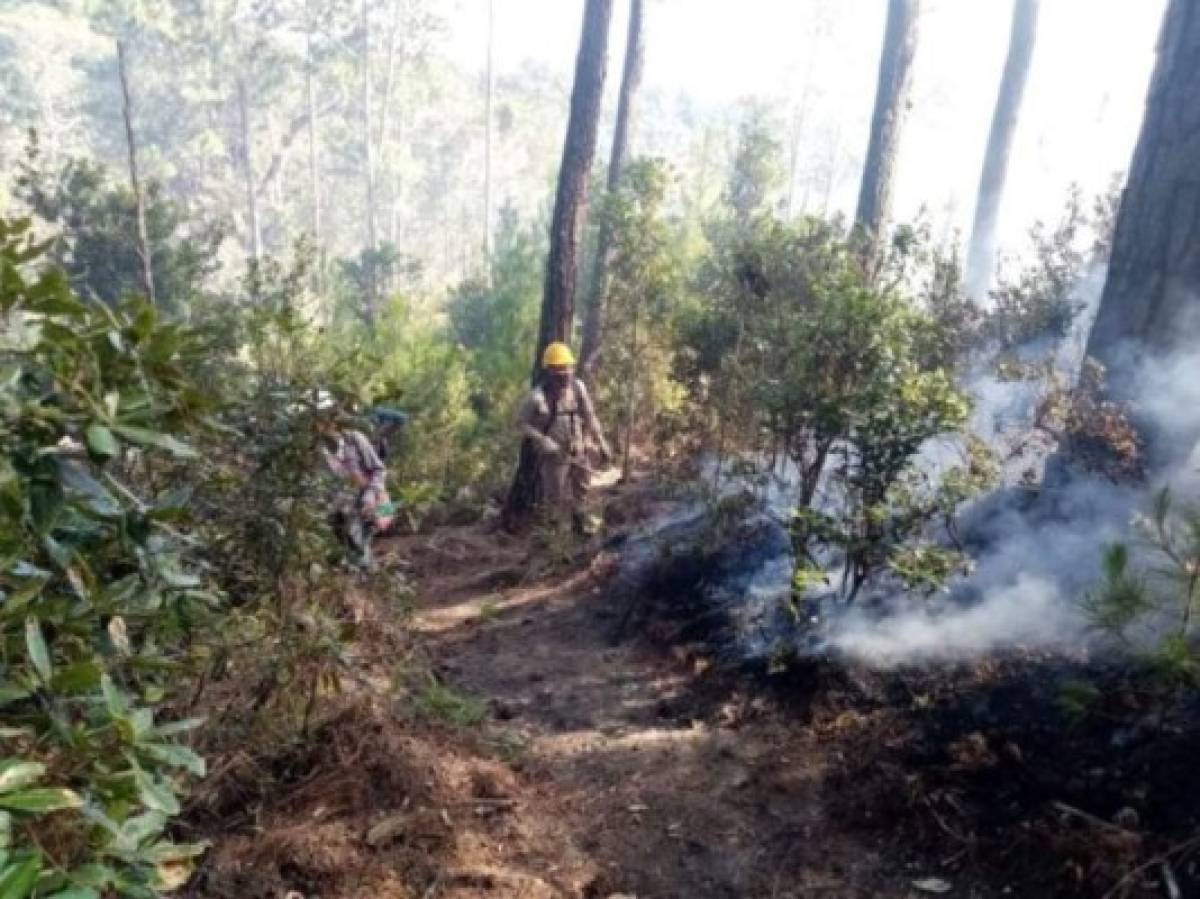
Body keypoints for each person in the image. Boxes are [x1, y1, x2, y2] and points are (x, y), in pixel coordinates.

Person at [516, 341, 612, 533]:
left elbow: (589, 415)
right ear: (549, 370)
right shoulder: (536, 397)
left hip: (578, 449)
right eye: (560, 370)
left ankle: (581, 528)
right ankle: (554, 539)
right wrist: (542, 439)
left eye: (568, 368)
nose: (566, 373)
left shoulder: (578, 388)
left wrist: (601, 442)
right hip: (554, 456)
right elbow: (520, 423)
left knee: (582, 491)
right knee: (555, 498)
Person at [317, 411, 396, 569]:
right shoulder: (318, 449)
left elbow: (379, 471)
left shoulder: (355, 439)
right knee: (352, 546)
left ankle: (367, 573)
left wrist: (369, 496)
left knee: (360, 545)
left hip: (371, 501)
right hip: (340, 509)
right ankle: (366, 572)